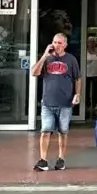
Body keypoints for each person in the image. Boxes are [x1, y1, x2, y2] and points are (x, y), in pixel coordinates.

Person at [34, 28, 81, 172]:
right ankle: (43, 159)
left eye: (59, 43)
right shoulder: (47, 59)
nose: (56, 45)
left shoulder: (71, 59)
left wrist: (77, 94)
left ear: (65, 45)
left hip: (65, 102)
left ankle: (61, 158)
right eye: (54, 42)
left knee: (63, 131)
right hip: (48, 102)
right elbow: (34, 73)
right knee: (45, 130)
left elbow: (77, 78)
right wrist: (43, 57)